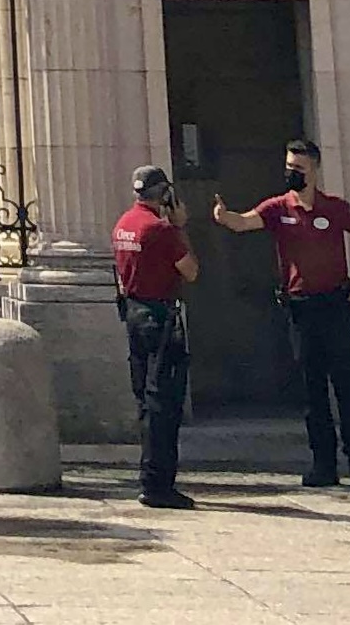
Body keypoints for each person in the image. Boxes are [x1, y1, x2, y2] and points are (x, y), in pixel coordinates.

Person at [213, 137, 350, 490]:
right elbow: (244, 223)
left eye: (299, 168)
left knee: (347, 387)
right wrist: (225, 217)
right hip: (301, 308)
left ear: (314, 170)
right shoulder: (278, 208)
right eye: (289, 167)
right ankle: (324, 466)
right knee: (312, 390)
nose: (292, 173)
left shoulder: (334, 208)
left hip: (335, 305)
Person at [112, 162, 199, 510]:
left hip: (134, 313)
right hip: (161, 317)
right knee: (164, 402)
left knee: (145, 400)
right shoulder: (160, 230)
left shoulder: (124, 224)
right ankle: (158, 483)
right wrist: (180, 227)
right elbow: (191, 271)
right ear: (164, 194)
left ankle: (149, 476)